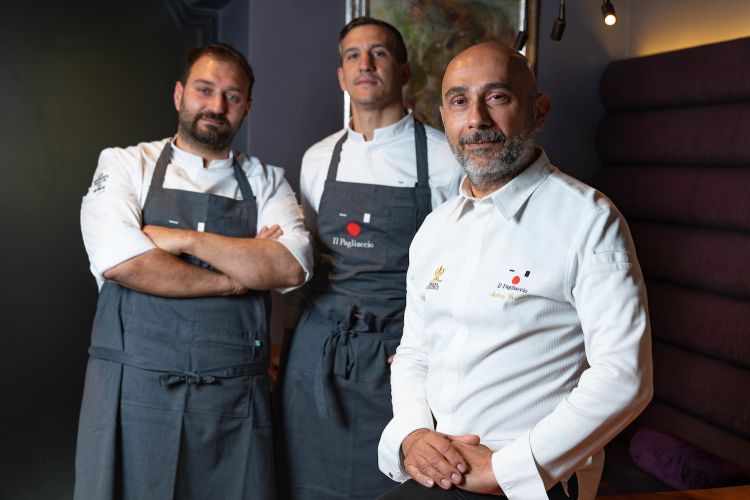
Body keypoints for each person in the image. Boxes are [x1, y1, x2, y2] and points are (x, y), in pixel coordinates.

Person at [377, 42, 653, 500]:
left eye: (498, 97)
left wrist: (510, 467)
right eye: (459, 100)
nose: (477, 119)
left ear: (538, 111)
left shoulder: (589, 219)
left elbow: (625, 374)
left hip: (533, 483)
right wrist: (411, 434)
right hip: (441, 474)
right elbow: (415, 354)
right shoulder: (435, 228)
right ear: (443, 115)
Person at [75, 43, 312, 500]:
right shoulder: (126, 164)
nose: (216, 106)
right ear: (179, 94)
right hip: (133, 389)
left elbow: (289, 265)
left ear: (247, 108)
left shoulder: (269, 180)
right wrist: (236, 277)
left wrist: (183, 240)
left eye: (232, 96)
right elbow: (125, 263)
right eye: (205, 90)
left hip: (234, 397)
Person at [278, 17, 462, 500]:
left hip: (399, 360)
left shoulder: (446, 159)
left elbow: (459, 271)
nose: (365, 63)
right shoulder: (318, 159)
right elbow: (305, 265)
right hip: (319, 355)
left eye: (378, 53)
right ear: (341, 76)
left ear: (403, 71)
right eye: (352, 55)